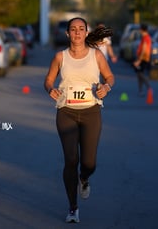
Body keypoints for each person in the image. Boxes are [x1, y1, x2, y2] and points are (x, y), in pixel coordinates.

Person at [44, 17, 115, 223]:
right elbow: (49, 80)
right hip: (66, 111)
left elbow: (110, 77)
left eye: (81, 29)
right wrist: (50, 89)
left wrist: (106, 87)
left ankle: (84, 178)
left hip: (91, 111)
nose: (77, 33)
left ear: (86, 33)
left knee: (89, 162)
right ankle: (73, 207)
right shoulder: (60, 57)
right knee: (71, 160)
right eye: (73, 29)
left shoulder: (96, 55)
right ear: (67, 34)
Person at [133, 24, 152, 97]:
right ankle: (140, 90)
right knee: (139, 74)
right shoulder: (145, 37)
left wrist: (139, 60)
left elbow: (144, 50)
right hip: (143, 58)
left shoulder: (146, 38)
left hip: (143, 58)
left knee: (141, 74)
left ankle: (149, 87)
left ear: (141, 30)